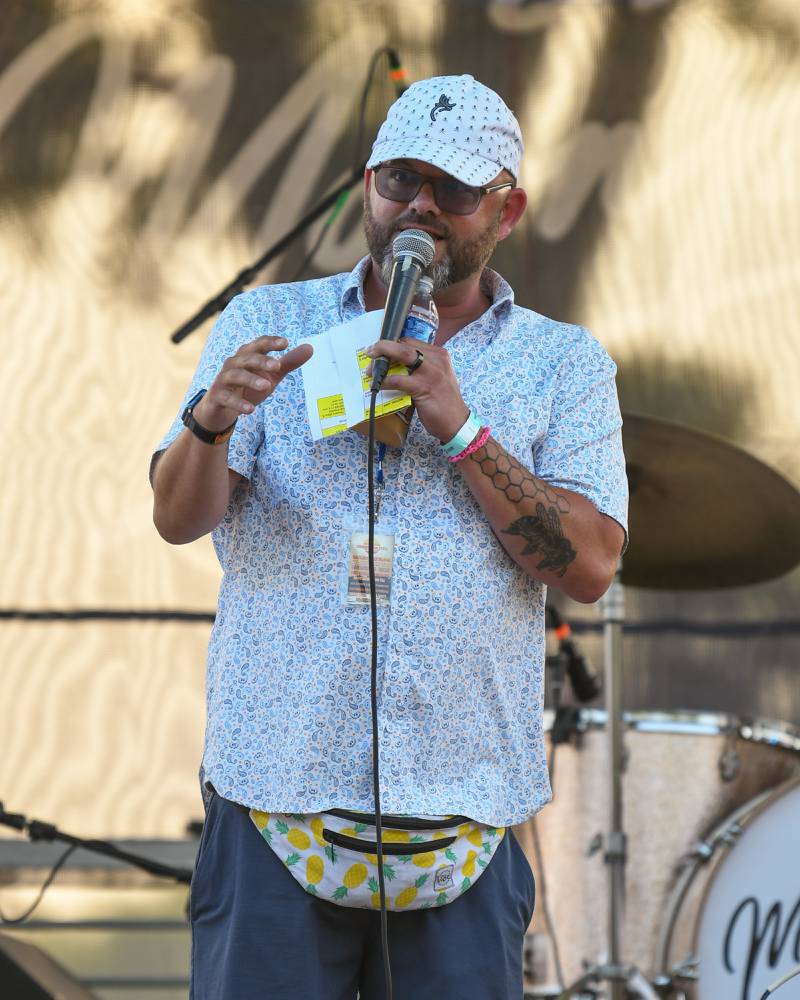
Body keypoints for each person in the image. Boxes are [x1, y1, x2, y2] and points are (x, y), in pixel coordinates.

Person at [151, 74, 627, 999]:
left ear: (508, 207)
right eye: (400, 180)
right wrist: (210, 422)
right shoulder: (267, 322)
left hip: (463, 809)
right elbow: (176, 517)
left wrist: (460, 426)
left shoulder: (562, 362)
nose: (420, 206)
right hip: (276, 796)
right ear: (367, 184)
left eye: (450, 189)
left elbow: (592, 566)